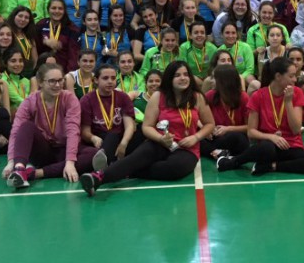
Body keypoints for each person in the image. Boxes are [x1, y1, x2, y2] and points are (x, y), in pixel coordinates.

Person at [80, 61, 216, 196]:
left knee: (175, 169)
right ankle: (97, 178)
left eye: (186, 74)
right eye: (177, 75)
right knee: (135, 158)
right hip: (160, 143)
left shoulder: (197, 97)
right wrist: (161, 138)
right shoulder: (158, 96)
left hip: (187, 148)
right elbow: (147, 127)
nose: (183, 78)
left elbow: (210, 124)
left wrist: (195, 137)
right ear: (170, 78)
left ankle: (126, 171)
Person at [216, 57, 304, 175]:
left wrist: (288, 102)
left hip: (291, 146)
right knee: (266, 147)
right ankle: (233, 162)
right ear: (278, 76)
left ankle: (272, 166)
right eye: (291, 76)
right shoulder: (258, 96)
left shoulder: (297, 92)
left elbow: (296, 129)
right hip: (269, 147)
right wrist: (271, 137)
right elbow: (251, 132)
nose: (295, 79)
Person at [4, 63, 100, 188]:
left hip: (64, 150)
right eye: (52, 81)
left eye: (60, 80)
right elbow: (16, 131)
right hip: (42, 151)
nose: (57, 85)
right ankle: (20, 169)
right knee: (26, 126)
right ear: (40, 82)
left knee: (94, 154)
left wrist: (70, 162)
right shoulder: (30, 101)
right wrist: (11, 160)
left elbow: (73, 130)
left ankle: (35, 174)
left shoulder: (69, 99)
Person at [80, 64, 140, 166]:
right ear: (96, 80)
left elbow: (130, 125)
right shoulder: (87, 100)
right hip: (100, 140)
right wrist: (92, 138)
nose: (110, 81)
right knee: (111, 135)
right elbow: (85, 131)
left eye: (113, 78)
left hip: (122, 138)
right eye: (105, 78)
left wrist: (124, 143)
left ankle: (110, 165)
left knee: (141, 131)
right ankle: (111, 166)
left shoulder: (123, 97)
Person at [202, 65, 251, 160]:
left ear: (224, 80)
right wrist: (207, 129)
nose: (210, 81)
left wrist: (228, 129)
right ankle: (217, 152)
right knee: (195, 138)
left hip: (235, 136)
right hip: (214, 137)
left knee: (239, 139)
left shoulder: (243, 97)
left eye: (214, 78)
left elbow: (250, 127)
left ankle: (214, 152)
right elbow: (197, 117)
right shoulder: (210, 95)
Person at [36, 0, 79, 72]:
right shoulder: (41, 24)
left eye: (60, 8)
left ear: (64, 11)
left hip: (62, 70)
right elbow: (33, 45)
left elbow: (73, 56)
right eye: (53, 8)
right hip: (42, 70)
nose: (57, 11)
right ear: (48, 10)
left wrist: (69, 74)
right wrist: (44, 41)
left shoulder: (72, 28)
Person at [1, 48, 31, 114]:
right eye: (13, 61)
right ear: (5, 63)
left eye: (20, 61)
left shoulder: (26, 81)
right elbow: (17, 100)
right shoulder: (2, 79)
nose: (18, 64)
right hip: (10, 117)